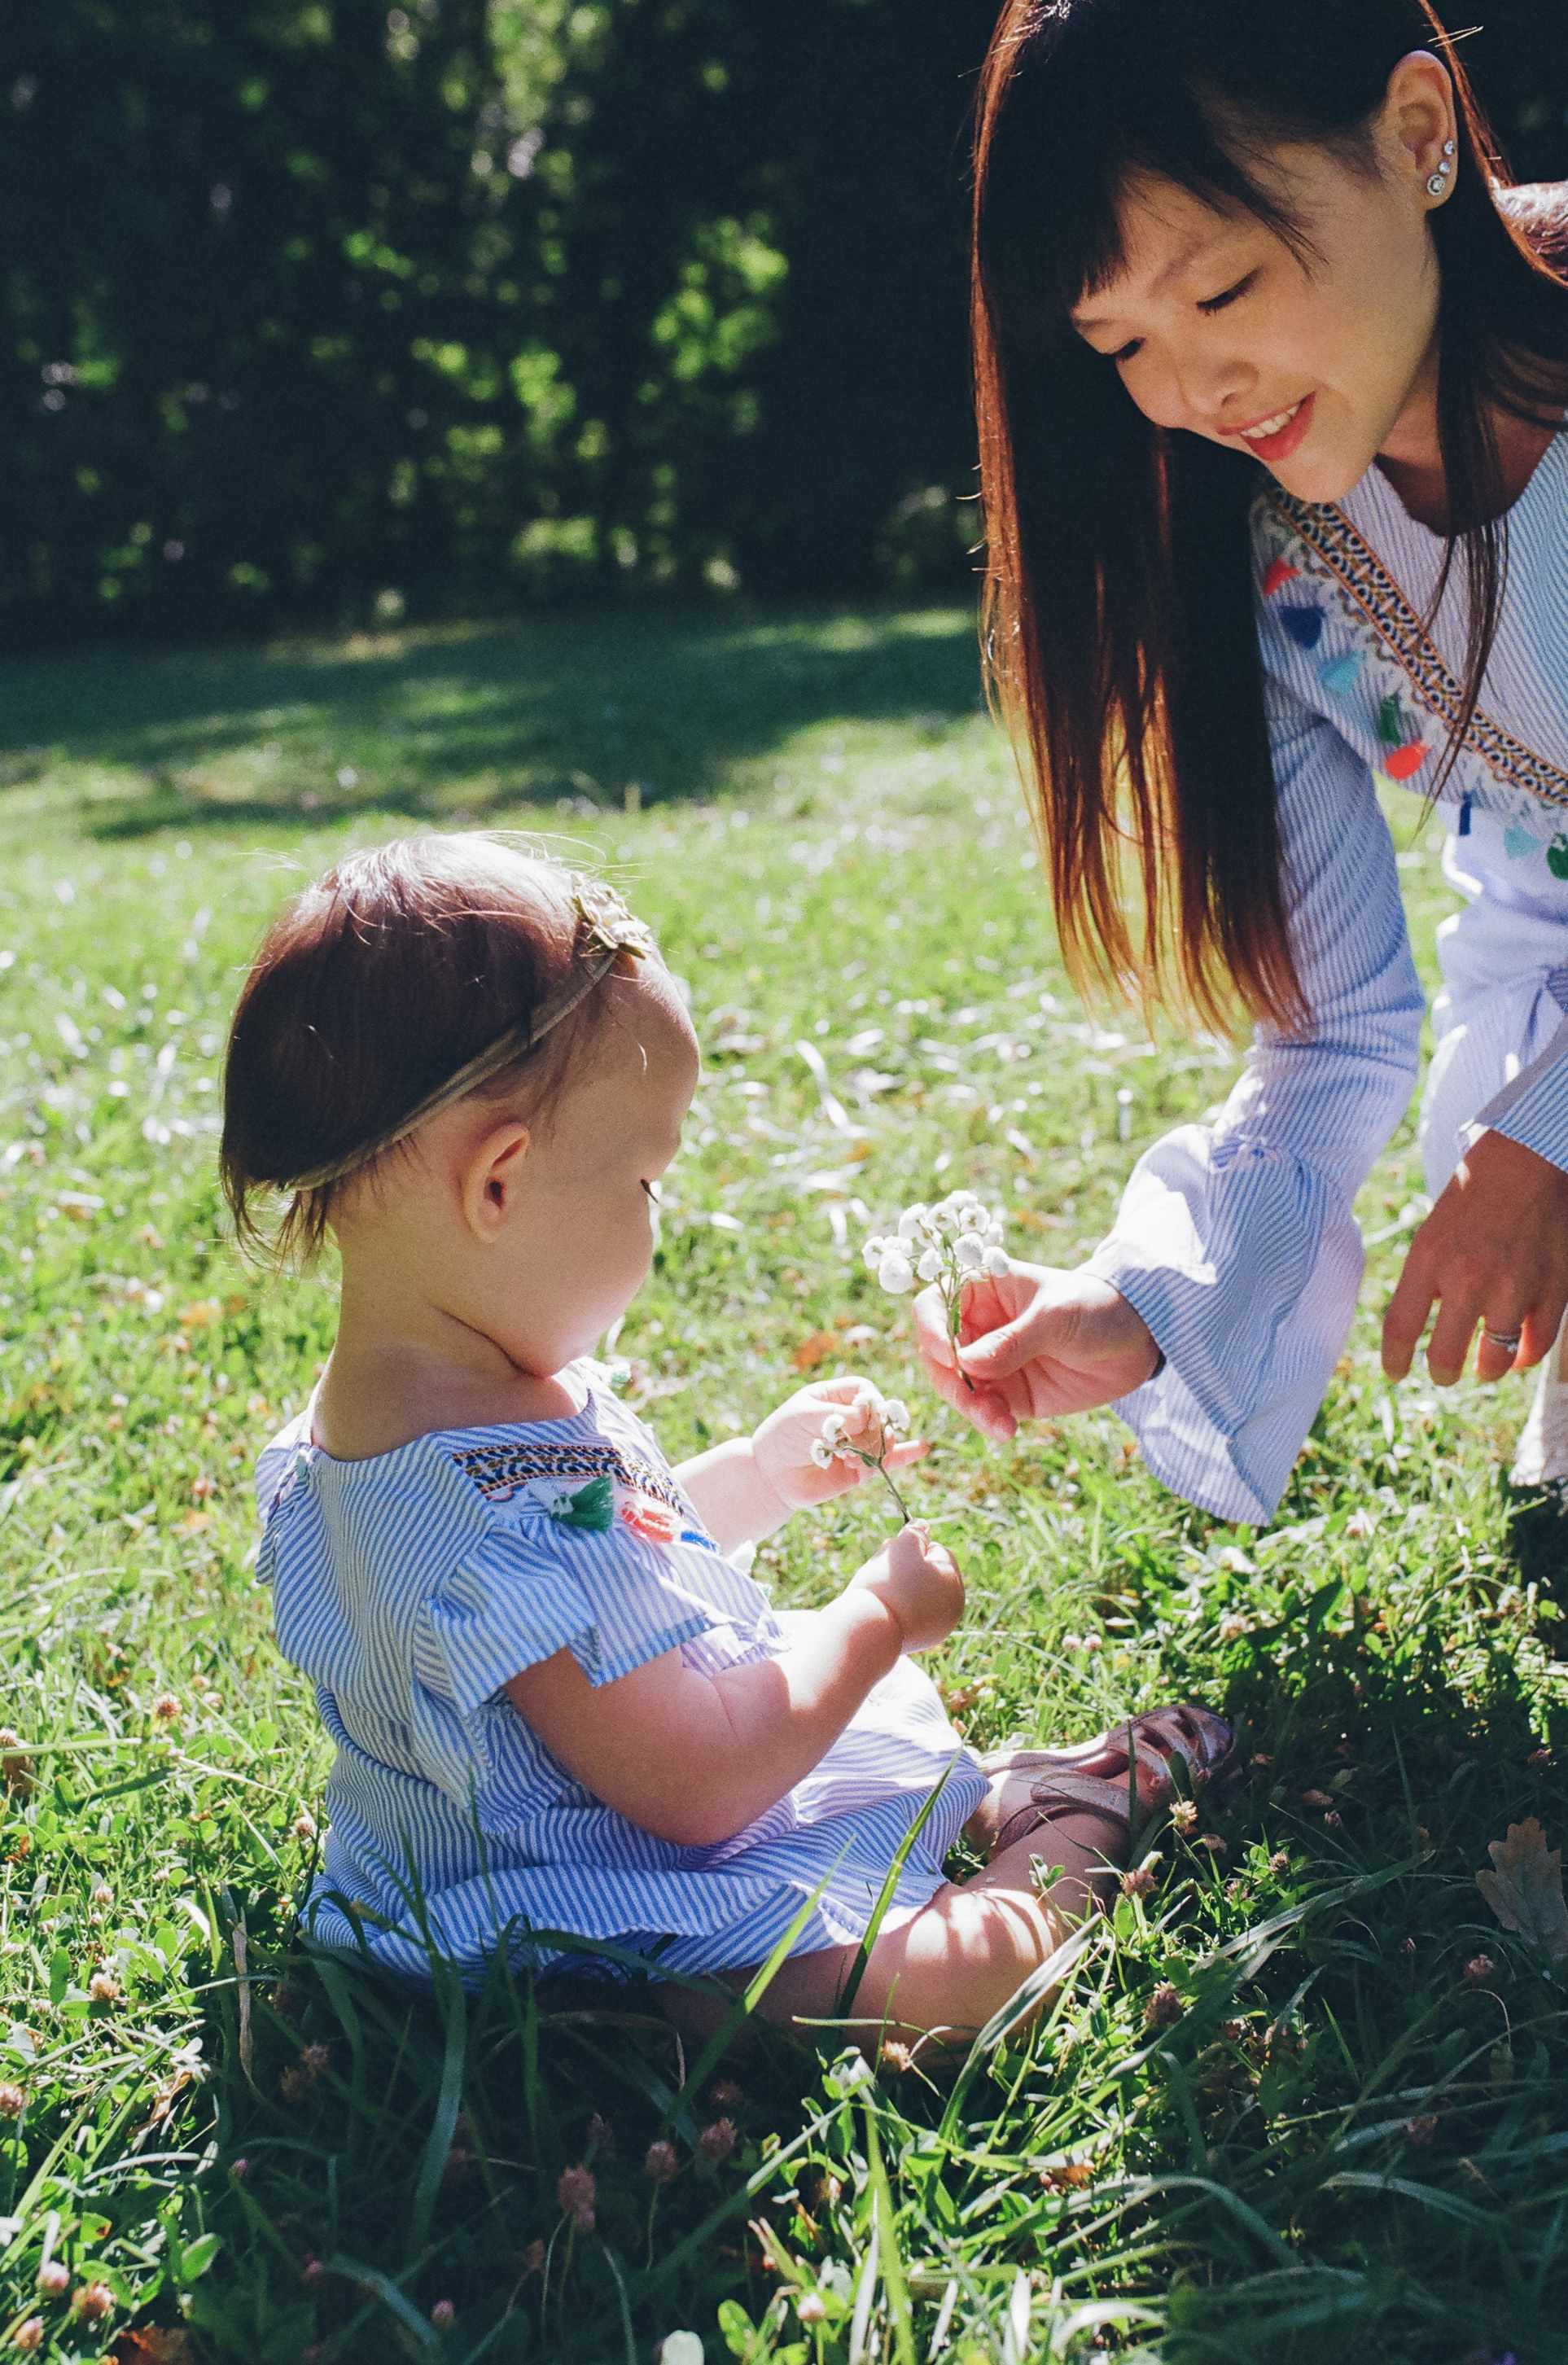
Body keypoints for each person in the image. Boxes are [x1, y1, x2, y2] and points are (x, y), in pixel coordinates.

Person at [221, 838, 1236, 2044]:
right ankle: (1080, 1814)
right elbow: (698, 1784)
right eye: (646, 1181)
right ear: (498, 1184)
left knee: (817, 1840)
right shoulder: (491, 1518)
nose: (659, 1215)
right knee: (954, 1988)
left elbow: (597, 1555)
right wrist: (875, 1619)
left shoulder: (367, 1440)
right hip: (607, 1882)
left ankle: (971, 1792)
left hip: (448, 1878)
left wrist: (754, 1477)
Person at [918, 0, 1568, 1522]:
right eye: (1122, 341)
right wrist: (1145, 1296)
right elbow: (1333, 1035)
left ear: (1418, 138)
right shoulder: (1272, 565)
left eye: (1222, 284)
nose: (1189, 391)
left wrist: (1542, 1137)